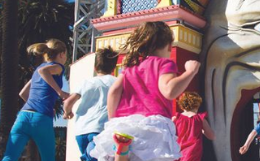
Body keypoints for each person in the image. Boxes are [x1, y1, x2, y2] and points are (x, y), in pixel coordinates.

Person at [90, 21, 201, 161]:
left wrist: (114, 120)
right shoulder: (164, 64)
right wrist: (190, 72)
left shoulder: (130, 67)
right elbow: (169, 90)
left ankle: (122, 151)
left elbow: (113, 91)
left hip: (125, 124)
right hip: (153, 126)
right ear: (168, 46)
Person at [2, 39, 70, 161]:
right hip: (41, 118)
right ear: (62, 54)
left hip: (23, 116)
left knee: (9, 157)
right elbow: (43, 71)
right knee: (48, 158)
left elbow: (22, 93)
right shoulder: (58, 67)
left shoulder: (36, 71)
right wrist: (60, 92)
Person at [63, 47, 119, 161]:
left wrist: (67, 112)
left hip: (82, 131)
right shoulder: (116, 82)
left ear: (95, 67)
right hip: (101, 131)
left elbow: (68, 101)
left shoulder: (86, 82)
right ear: (114, 67)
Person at [174, 91, 215, 161]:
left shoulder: (176, 118)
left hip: (177, 149)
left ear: (182, 105)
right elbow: (211, 136)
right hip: (193, 151)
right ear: (197, 105)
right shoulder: (200, 119)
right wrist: (202, 130)